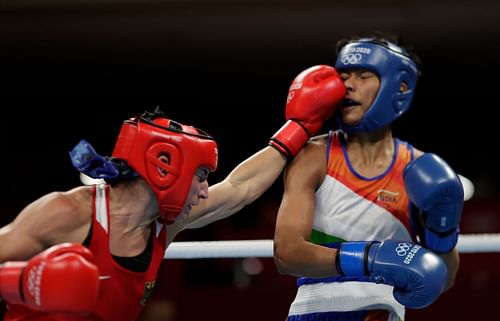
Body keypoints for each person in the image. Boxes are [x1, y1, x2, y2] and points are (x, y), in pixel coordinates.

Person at [0, 63, 346, 321]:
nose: (205, 189)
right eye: (200, 175)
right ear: (164, 168)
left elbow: (240, 188)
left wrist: (299, 127)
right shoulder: (69, 213)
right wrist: (22, 283)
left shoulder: (165, 223)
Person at [273, 34, 465, 321]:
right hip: (314, 311)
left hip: (384, 313)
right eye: (344, 75)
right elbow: (287, 254)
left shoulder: (419, 170)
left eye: (363, 76)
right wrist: (369, 258)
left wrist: (443, 228)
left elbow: (444, 278)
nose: (348, 84)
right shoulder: (313, 155)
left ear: (398, 87)